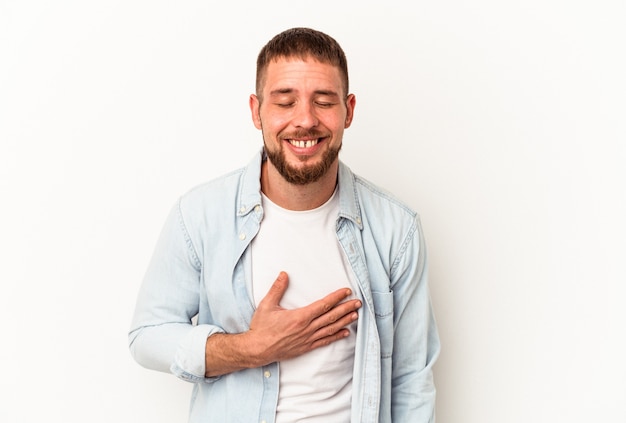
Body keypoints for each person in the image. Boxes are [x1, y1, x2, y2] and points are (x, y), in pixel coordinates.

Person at [129, 27, 440, 423]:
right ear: (256, 110)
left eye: (324, 101)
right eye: (285, 102)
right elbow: (147, 335)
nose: (305, 120)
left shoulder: (397, 230)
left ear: (349, 110)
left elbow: (411, 381)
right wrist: (250, 348)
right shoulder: (200, 215)